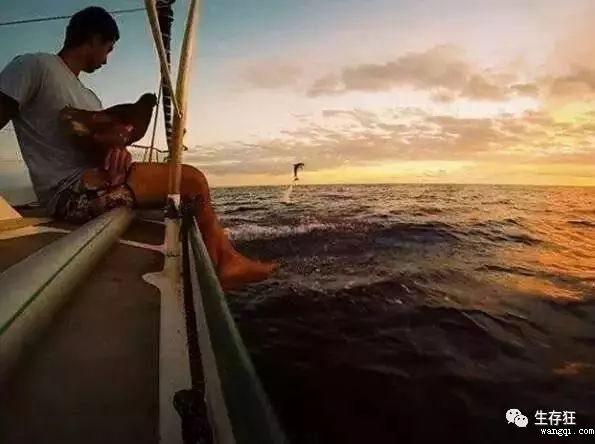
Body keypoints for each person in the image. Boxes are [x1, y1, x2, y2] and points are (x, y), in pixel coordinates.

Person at [0, 6, 276, 290]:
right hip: (68, 193)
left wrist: (117, 153)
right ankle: (227, 262)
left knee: (187, 189)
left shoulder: (90, 97)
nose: (107, 60)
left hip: (100, 180)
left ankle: (224, 257)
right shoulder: (34, 66)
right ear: (93, 39)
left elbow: (94, 147)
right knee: (192, 180)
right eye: (108, 49)